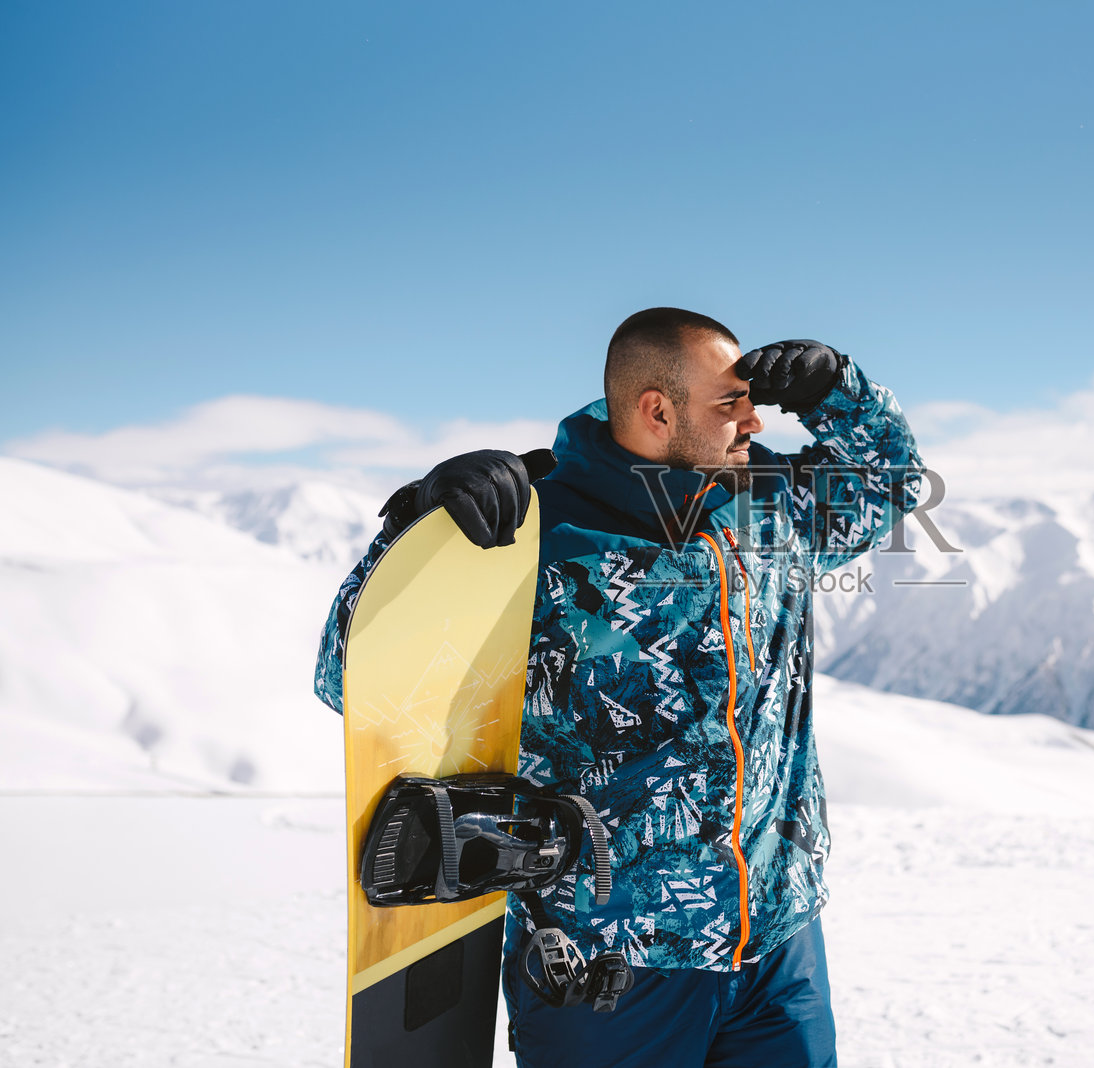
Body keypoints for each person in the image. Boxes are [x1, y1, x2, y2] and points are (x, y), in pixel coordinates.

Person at [314, 307, 923, 1067]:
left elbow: (892, 488)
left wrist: (839, 388)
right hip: (609, 963)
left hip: (776, 943)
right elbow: (354, 680)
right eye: (728, 403)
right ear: (657, 410)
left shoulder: (770, 509)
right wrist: (414, 531)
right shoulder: (533, 536)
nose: (755, 421)